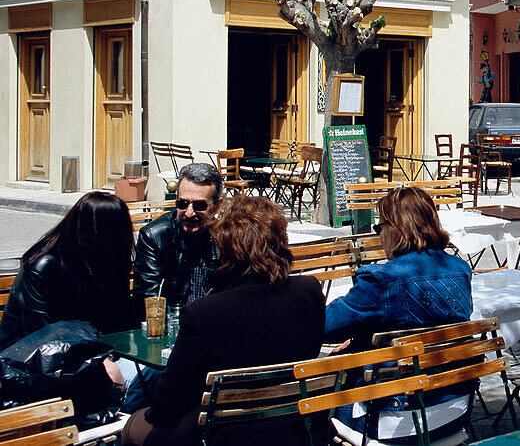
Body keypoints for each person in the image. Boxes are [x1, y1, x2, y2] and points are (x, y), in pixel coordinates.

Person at [122, 196, 324, 446]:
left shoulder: (204, 313)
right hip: (293, 427)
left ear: (227, 247)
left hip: (220, 434)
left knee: (134, 425)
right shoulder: (309, 291)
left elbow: (167, 403)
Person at [324, 186, 473, 443]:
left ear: (395, 228)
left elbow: (325, 326)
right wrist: (362, 336)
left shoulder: (381, 279)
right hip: (453, 412)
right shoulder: (460, 270)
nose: (378, 236)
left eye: (379, 228)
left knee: (307, 406)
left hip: (394, 418)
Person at [0, 192, 136, 354]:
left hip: (87, 353)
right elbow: (42, 334)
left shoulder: (108, 261)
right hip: (31, 361)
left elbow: (120, 321)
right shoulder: (44, 267)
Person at [133, 162, 223, 311]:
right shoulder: (154, 237)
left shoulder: (227, 236)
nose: (189, 213)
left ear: (217, 206)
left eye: (199, 206)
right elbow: (148, 302)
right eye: (182, 204)